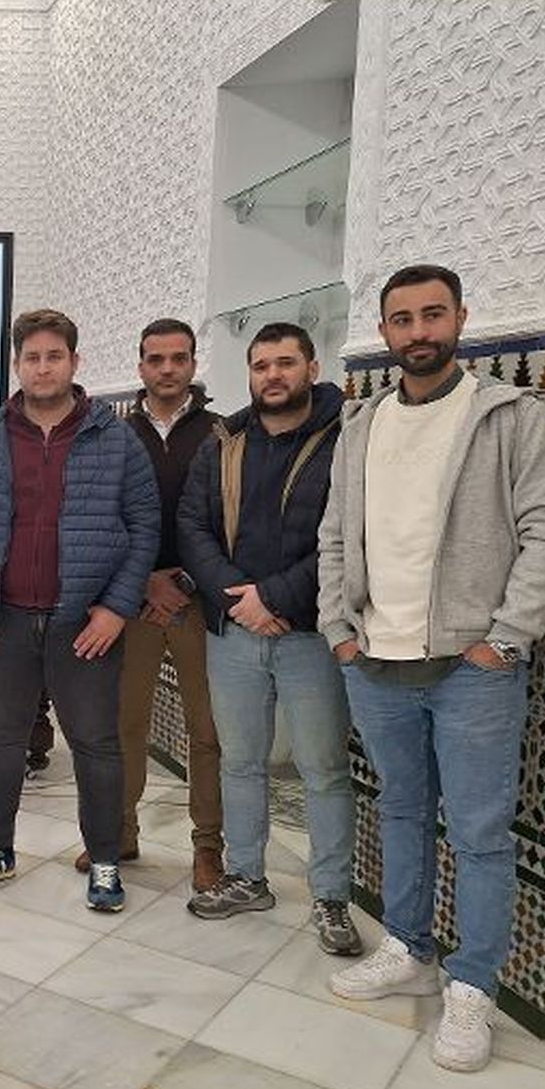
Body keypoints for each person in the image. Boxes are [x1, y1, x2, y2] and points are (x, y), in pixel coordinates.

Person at [321, 265, 545, 1071]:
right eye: (402, 319)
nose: (418, 331)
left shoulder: (511, 416)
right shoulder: (361, 424)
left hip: (473, 667)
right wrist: (339, 629)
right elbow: (336, 534)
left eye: (433, 314)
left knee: (477, 833)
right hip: (376, 660)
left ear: (461, 318)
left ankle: (472, 988)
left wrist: (503, 638)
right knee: (401, 810)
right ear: (386, 330)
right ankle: (409, 945)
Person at [0, 308, 159, 912]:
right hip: (0, 620)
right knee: (0, 740)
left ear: (74, 363)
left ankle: (106, 859)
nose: (42, 367)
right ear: (18, 366)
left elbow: (145, 528)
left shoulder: (116, 440)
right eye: (31, 357)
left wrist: (115, 609)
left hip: (84, 624)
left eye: (53, 356)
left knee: (95, 744)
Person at [177, 322, 360, 954]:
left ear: (312, 367)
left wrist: (275, 597)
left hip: (312, 631)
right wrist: (240, 598)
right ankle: (247, 876)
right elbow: (192, 526)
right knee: (242, 761)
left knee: (324, 769)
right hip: (233, 630)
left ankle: (332, 897)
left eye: (286, 363)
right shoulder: (224, 441)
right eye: (261, 366)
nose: (272, 376)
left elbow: (347, 537)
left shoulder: (346, 439)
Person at [74, 318, 224, 892]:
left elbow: (224, 522)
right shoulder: (112, 434)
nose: (167, 369)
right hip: (131, 602)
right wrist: (141, 585)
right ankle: (118, 834)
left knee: (205, 730)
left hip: (198, 601)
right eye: (156, 359)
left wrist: (183, 582)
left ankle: (208, 848)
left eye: (178, 358)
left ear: (192, 363)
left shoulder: (220, 433)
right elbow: (98, 521)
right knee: (123, 724)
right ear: (140, 366)